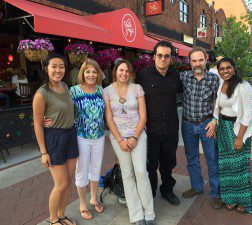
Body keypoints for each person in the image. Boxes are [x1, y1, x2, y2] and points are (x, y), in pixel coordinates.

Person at [104, 59, 155, 225]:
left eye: (127, 71)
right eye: (120, 70)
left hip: (138, 135)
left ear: (131, 73)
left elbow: (143, 116)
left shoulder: (137, 88)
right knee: (127, 174)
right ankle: (136, 214)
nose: (123, 73)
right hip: (118, 138)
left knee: (141, 171)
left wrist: (134, 137)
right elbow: (109, 118)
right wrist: (120, 140)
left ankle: (149, 212)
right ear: (115, 71)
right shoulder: (107, 91)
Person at [33, 53, 78, 225]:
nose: (58, 70)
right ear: (46, 68)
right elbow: (37, 123)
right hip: (54, 138)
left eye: (61, 66)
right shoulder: (42, 93)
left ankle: (61, 214)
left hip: (70, 135)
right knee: (60, 184)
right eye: (54, 66)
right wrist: (43, 152)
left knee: (68, 182)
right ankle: (53, 220)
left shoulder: (65, 86)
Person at [136, 41, 183, 206]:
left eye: (167, 56)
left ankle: (167, 190)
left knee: (168, 163)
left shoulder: (176, 76)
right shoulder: (142, 76)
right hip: (150, 130)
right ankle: (151, 193)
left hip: (170, 128)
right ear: (154, 56)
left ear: (171, 58)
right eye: (160, 55)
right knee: (150, 164)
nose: (163, 59)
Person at [180, 47, 222, 209]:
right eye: (194, 61)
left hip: (206, 125)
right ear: (190, 62)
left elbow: (219, 103)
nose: (197, 64)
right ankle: (197, 187)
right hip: (187, 125)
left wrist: (215, 120)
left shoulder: (214, 80)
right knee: (192, 159)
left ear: (206, 60)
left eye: (200, 60)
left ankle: (215, 193)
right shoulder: (183, 77)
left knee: (212, 159)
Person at [214, 57, 252, 214]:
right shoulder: (221, 84)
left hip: (238, 130)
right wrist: (215, 123)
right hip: (223, 129)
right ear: (219, 71)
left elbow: (249, 113)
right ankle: (230, 199)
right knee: (226, 166)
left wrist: (239, 137)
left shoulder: (243, 86)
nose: (225, 71)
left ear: (234, 68)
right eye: (222, 69)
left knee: (239, 167)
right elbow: (218, 108)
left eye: (228, 68)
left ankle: (243, 201)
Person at [69, 58, 105, 220]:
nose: (91, 74)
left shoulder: (100, 90)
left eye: (94, 71)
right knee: (82, 170)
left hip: (99, 136)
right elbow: (63, 109)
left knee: (96, 168)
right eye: (88, 71)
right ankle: (83, 204)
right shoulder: (74, 91)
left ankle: (93, 198)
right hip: (81, 137)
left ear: (98, 74)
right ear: (82, 73)